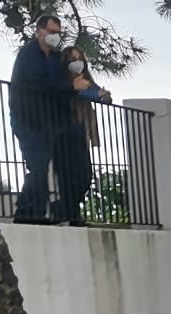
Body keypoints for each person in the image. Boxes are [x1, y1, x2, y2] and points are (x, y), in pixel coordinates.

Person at [7, 14, 71, 225]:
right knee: (38, 165)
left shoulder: (54, 57)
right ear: (39, 31)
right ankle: (28, 213)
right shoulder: (29, 54)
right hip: (27, 120)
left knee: (40, 166)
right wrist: (72, 87)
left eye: (58, 33)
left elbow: (61, 82)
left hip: (46, 122)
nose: (55, 37)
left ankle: (32, 211)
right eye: (51, 32)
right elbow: (41, 83)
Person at [54, 45, 112, 225]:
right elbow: (80, 93)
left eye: (80, 59)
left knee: (85, 175)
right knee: (66, 176)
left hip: (79, 132)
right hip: (61, 132)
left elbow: (95, 93)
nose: (77, 63)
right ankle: (71, 214)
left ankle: (64, 208)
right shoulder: (61, 82)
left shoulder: (85, 80)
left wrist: (104, 96)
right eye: (72, 60)